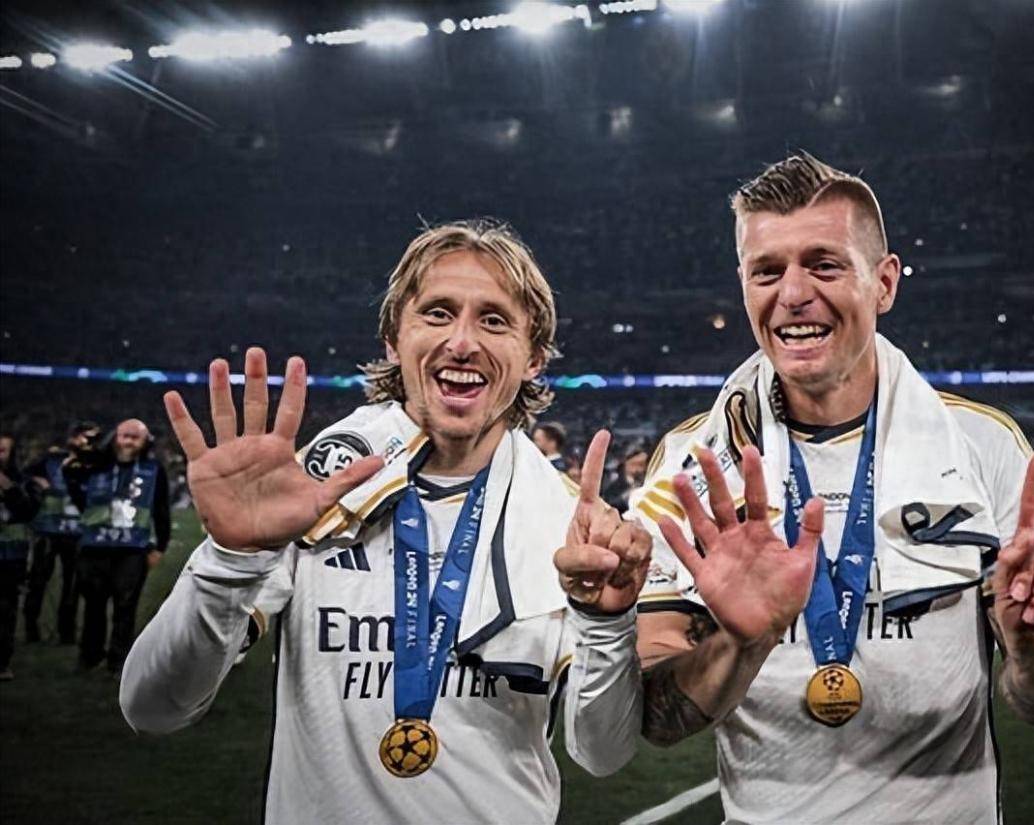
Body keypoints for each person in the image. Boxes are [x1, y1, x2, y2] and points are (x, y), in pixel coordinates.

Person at [560, 153, 1034, 824]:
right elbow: (655, 719)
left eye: (824, 264)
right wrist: (742, 645)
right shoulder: (693, 463)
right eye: (766, 271)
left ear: (884, 282)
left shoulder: (981, 444)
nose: (792, 293)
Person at [120, 220, 649, 824]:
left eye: (494, 320)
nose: (462, 342)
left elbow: (603, 754)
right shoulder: (318, 488)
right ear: (394, 339)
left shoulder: (567, 525)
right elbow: (152, 707)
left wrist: (607, 624)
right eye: (438, 313)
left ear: (532, 358)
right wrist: (231, 559)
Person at [67, 419, 170, 674]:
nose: (129, 441)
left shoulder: (154, 469)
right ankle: (90, 656)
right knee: (93, 605)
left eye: (136, 437)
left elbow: (161, 509)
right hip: (94, 546)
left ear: (146, 441)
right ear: (115, 437)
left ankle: (118, 660)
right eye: (125, 436)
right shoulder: (94, 465)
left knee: (126, 607)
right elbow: (78, 494)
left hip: (132, 549)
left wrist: (160, 547)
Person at [22, 421, 100, 644]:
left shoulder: (95, 464)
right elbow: (22, 475)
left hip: (77, 532)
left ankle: (66, 633)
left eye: (93, 439)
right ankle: (31, 629)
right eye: (85, 437)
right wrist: (36, 480)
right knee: (38, 581)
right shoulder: (51, 460)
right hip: (48, 529)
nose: (89, 443)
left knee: (72, 585)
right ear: (72, 438)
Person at [1, 434, 43, 680]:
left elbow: (28, 511)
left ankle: (2, 662)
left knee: (5, 610)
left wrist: (8, 488)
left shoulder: (24, 482)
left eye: (2, 451)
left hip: (9, 557)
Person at [603, 443, 649, 514]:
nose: (638, 469)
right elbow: (608, 502)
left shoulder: (646, 482)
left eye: (642, 465)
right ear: (626, 462)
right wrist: (627, 496)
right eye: (635, 464)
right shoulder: (612, 481)